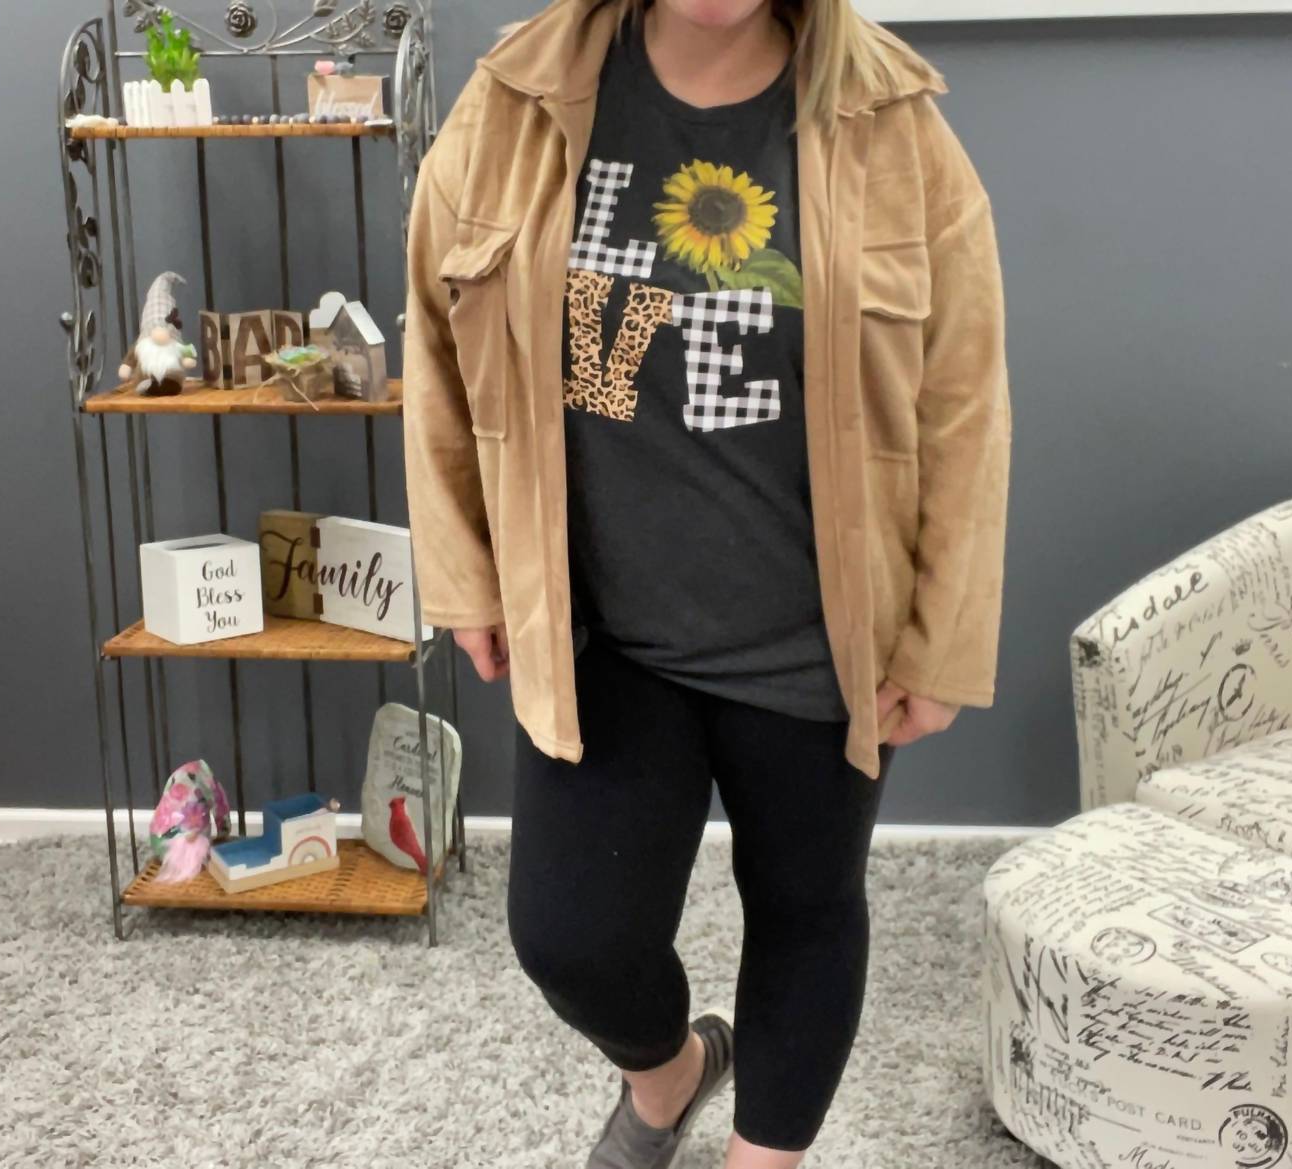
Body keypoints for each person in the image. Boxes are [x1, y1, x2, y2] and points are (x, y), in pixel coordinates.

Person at [401, 0, 1011, 1165]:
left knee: (806, 908)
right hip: (606, 635)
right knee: (569, 938)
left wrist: (942, 639)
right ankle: (672, 1070)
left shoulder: (892, 123)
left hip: (818, 641)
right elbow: (435, 342)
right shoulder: (518, 98)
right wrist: (465, 571)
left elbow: (964, 404)